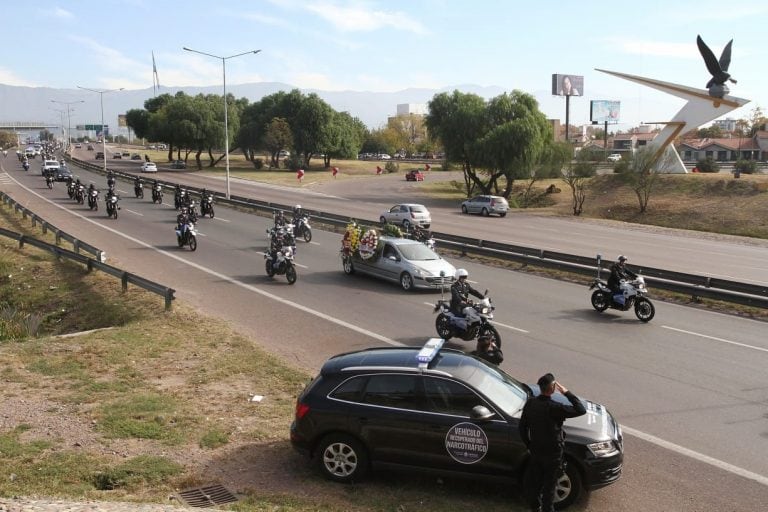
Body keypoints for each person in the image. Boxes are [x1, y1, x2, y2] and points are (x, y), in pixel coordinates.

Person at [519, 373, 586, 512]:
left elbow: (522, 427)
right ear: (552, 388)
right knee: (549, 490)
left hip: (536, 451)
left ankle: (535, 508)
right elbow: (581, 409)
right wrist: (567, 392)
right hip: (553, 454)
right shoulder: (555, 407)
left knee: (534, 485)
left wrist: (529, 445)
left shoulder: (531, 403)